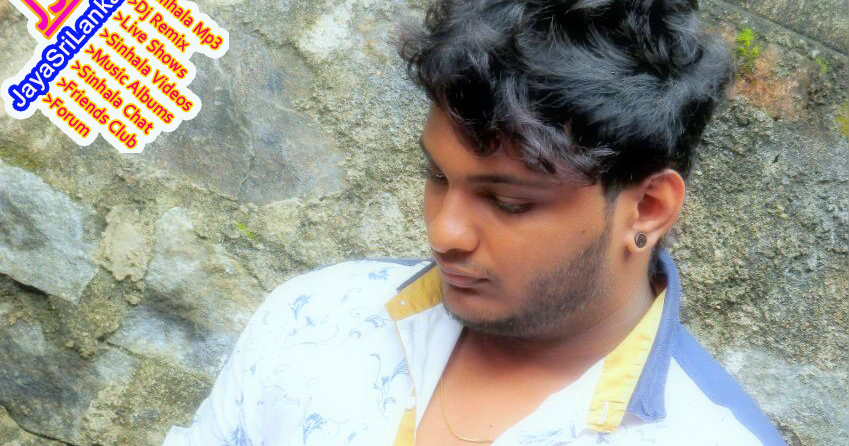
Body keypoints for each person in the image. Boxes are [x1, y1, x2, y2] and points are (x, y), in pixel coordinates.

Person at [162, 0, 787, 444]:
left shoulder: (704, 434)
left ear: (647, 207)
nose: (444, 233)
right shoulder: (313, 321)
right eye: (437, 175)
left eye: (508, 202)